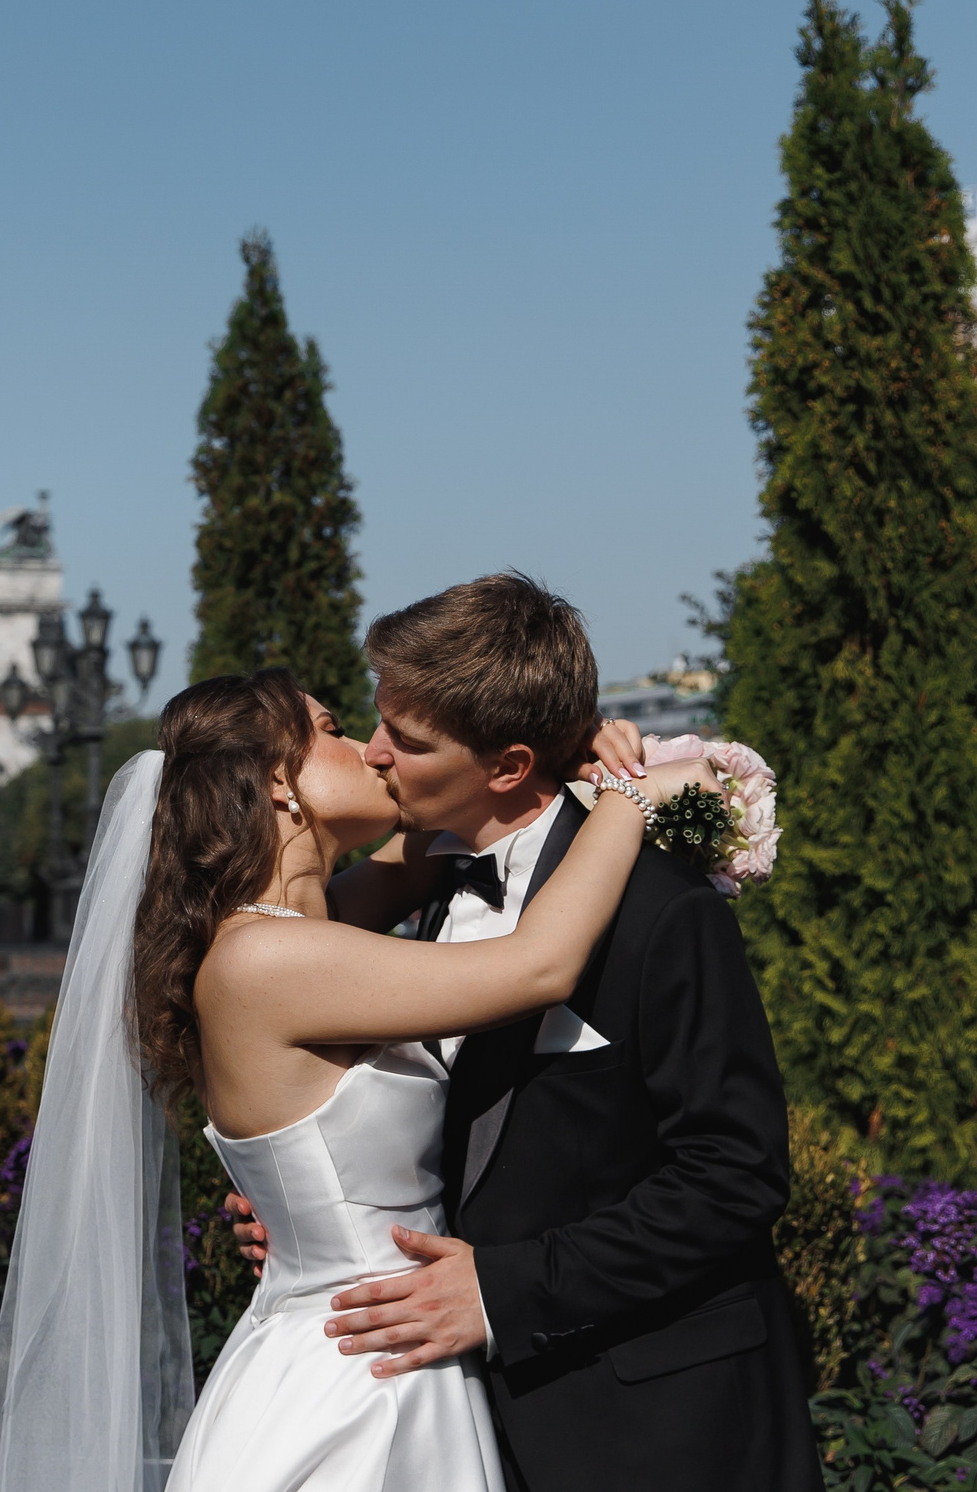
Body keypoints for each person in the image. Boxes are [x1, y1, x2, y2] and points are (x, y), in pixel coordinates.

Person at [0, 650, 700, 1492]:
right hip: (355, 1377)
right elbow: (540, 965)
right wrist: (634, 793)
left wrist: (555, 750)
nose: (373, 746)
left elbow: (438, 839)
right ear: (278, 783)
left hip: (394, 1344)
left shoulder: (298, 924)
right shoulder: (266, 960)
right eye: (331, 729)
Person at [254, 572, 821, 1491]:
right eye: (377, 719)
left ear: (510, 765)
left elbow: (736, 1172)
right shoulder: (425, 883)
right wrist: (314, 1203)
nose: (375, 751)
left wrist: (501, 1289)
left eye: (409, 737)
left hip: (660, 1428)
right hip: (465, 1427)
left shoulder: (661, 907)